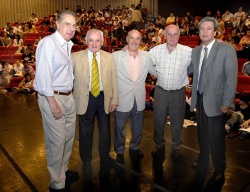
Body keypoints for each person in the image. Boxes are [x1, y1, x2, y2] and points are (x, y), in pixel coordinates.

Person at [188, 17, 237, 187]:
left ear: (215, 32)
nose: (204, 31)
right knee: (201, 134)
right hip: (199, 99)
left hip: (217, 101)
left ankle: (219, 169)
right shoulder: (195, 51)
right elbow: (188, 70)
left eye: (208, 28)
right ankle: (202, 159)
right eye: (202, 29)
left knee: (216, 137)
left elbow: (231, 78)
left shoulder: (226, 49)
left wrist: (227, 102)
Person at [34, 10, 79, 192]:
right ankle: (56, 183)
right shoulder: (48, 44)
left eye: (74, 25)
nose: (71, 28)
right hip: (52, 97)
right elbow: (44, 76)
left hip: (67, 97)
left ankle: (63, 170)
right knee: (57, 141)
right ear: (57, 25)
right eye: (67, 24)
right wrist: (52, 101)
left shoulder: (67, 45)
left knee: (68, 138)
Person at [72, 29, 119, 180]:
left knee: (105, 131)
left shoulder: (109, 57)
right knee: (85, 134)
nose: (94, 43)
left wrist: (115, 99)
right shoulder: (74, 57)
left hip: (104, 98)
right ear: (86, 41)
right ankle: (86, 162)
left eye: (97, 40)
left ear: (102, 41)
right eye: (91, 40)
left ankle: (105, 158)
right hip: (86, 99)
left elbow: (114, 80)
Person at [112, 30, 157, 164]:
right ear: (127, 38)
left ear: (141, 41)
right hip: (122, 98)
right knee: (119, 127)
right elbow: (109, 77)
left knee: (138, 126)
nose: (134, 41)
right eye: (132, 38)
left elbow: (155, 71)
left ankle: (134, 147)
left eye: (138, 38)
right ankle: (119, 151)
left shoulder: (146, 56)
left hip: (139, 97)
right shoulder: (115, 56)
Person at [149, 24, 192, 161]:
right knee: (158, 121)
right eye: (169, 34)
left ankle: (176, 147)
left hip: (178, 92)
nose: (172, 37)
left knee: (177, 122)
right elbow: (146, 63)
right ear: (164, 35)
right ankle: (159, 145)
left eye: (175, 34)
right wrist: (157, 74)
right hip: (160, 91)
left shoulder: (188, 51)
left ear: (179, 35)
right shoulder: (155, 51)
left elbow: (193, 67)